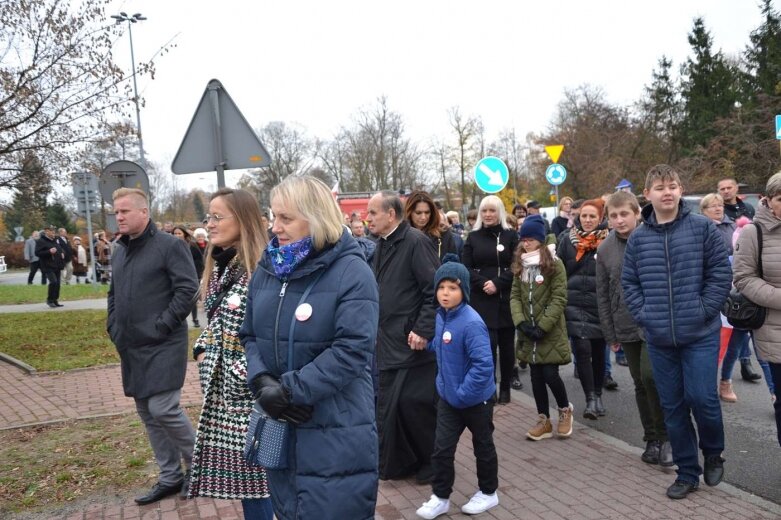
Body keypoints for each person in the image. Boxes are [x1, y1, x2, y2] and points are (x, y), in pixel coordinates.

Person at [241, 176, 379, 520]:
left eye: (286, 218)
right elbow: (249, 334)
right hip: (280, 421)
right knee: (288, 511)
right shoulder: (269, 267)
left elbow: (353, 349)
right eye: (274, 216)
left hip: (335, 424)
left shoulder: (351, 270)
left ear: (316, 217)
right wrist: (261, 382)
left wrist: (288, 390)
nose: (276, 228)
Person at [622, 164, 731, 499]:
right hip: (659, 338)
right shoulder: (639, 238)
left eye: (672, 186)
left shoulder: (701, 228)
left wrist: (703, 310)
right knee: (673, 407)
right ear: (647, 194)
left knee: (703, 398)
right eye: (659, 187)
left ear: (681, 190)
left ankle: (713, 451)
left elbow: (720, 273)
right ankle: (687, 472)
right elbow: (630, 283)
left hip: (699, 332)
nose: (666, 192)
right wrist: (646, 316)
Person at [107, 188, 198, 505]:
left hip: (163, 344)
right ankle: (171, 476)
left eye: (125, 211)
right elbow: (113, 295)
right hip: (131, 346)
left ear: (144, 212)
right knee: (147, 412)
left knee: (163, 408)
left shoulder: (170, 246)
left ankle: (201, 468)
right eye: (116, 212)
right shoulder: (119, 250)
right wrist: (114, 327)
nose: (119, 216)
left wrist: (163, 325)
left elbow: (188, 290)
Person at [187, 189, 272, 519]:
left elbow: (270, 337)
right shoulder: (222, 266)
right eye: (208, 216)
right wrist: (202, 349)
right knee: (248, 486)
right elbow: (218, 322)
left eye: (218, 216)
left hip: (250, 395)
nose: (209, 223)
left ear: (245, 220)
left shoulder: (260, 271)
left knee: (260, 484)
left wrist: (240, 373)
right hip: (226, 396)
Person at [366, 190, 440, 484]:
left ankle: (433, 462)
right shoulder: (381, 244)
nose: (367, 218)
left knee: (415, 406)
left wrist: (423, 329)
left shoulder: (416, 242)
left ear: (391, 215)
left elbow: (434, 291)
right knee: (391, 407)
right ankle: (401, 463)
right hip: (387, 341)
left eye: (373, 213)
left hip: (412, 344)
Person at [415, 261, 499, 519]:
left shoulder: (471, 322)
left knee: (482, 446)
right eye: (441, 287)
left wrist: (463, 393)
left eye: (452, 287)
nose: (445, 293)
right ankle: (440, 497)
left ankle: (488, 492)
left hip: (475, 401)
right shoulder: (442, 316)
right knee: (441, 449)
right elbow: (444, 346)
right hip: (449, 399)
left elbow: (483, 365)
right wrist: (427, 345)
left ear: (463, 292)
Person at [596, 191, 672, 466]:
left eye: (624, 214)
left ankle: (666, 436)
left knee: (652, 377)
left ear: (637, 213)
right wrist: (609, 332)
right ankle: (651, 438)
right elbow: (602, 293)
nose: (619, 220)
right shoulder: (605, 249)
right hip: (624, 322)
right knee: (640, 383)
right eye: (613, 216)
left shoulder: (654, 237)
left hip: (655, 321)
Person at [510, 215, 574, 441]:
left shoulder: (554, 263)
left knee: (550, 373)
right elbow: (515, 296)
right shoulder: (521, 264)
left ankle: (565, 410)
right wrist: (521, 322)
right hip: (528, 331)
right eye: (523, 239)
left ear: (539, 239)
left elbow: (559, 297)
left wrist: (544, 325)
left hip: (549, 331)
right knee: (536, 377)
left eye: (530, 239)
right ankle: (543, 420)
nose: (525, 243)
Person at [733, 171, 781, 446]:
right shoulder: (754, 232)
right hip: (775, 332)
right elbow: (743, 278)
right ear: (767, 200)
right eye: (780, 198)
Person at [463, 195, 519, 404]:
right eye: (484, 211)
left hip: (505, 297)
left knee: (506, 347)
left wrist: (499, 282)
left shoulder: (511, 235)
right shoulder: (473, 237)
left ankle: (506, 387)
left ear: (500, 212)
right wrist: (483, 283)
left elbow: (517, 264)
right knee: (487, 346)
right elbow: (465, 267)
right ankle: (490, 387)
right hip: (482, 298)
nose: (487, 214)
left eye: (492, 210)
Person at [557, 199, 609, 419]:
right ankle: (589, 399)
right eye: (584, 216)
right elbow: (559, 272)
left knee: (598, 352)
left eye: (592, 216)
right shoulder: (567, 240)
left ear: (600, 218)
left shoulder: (609, 241)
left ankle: (598, 395)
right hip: (575, 304)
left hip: (601, 305)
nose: (587, 220)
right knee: (582, 349)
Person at [404, 190, 458, 262]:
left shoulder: (444, 233)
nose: (423, 217)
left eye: (427, 212)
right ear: (409, 212)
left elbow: (453, 264)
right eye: (418, 213)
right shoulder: (401, 235)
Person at [173, 225, 205, 328]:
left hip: (191, 275)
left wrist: (198, 275)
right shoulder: (170, 246)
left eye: (179, 233)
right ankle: (176, 319)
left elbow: (199, 261)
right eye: (175, 233)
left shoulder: (192, 246)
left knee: (192, 299)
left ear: (184, 235)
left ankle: (195, 319)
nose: (177, 235)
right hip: (175, 276)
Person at [35, 225, 65, 308]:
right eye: (51, 231)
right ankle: (50, 300)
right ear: (46, 231)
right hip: (47, 265)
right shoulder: (41, 241)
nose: (53, 232)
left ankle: (55, 300)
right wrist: (49, 252)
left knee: (58, 283)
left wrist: (62, 253)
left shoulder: (55, 240)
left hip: (57, 265)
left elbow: (59, 249)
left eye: (54, 231)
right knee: (53, 282)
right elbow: (37, 253)